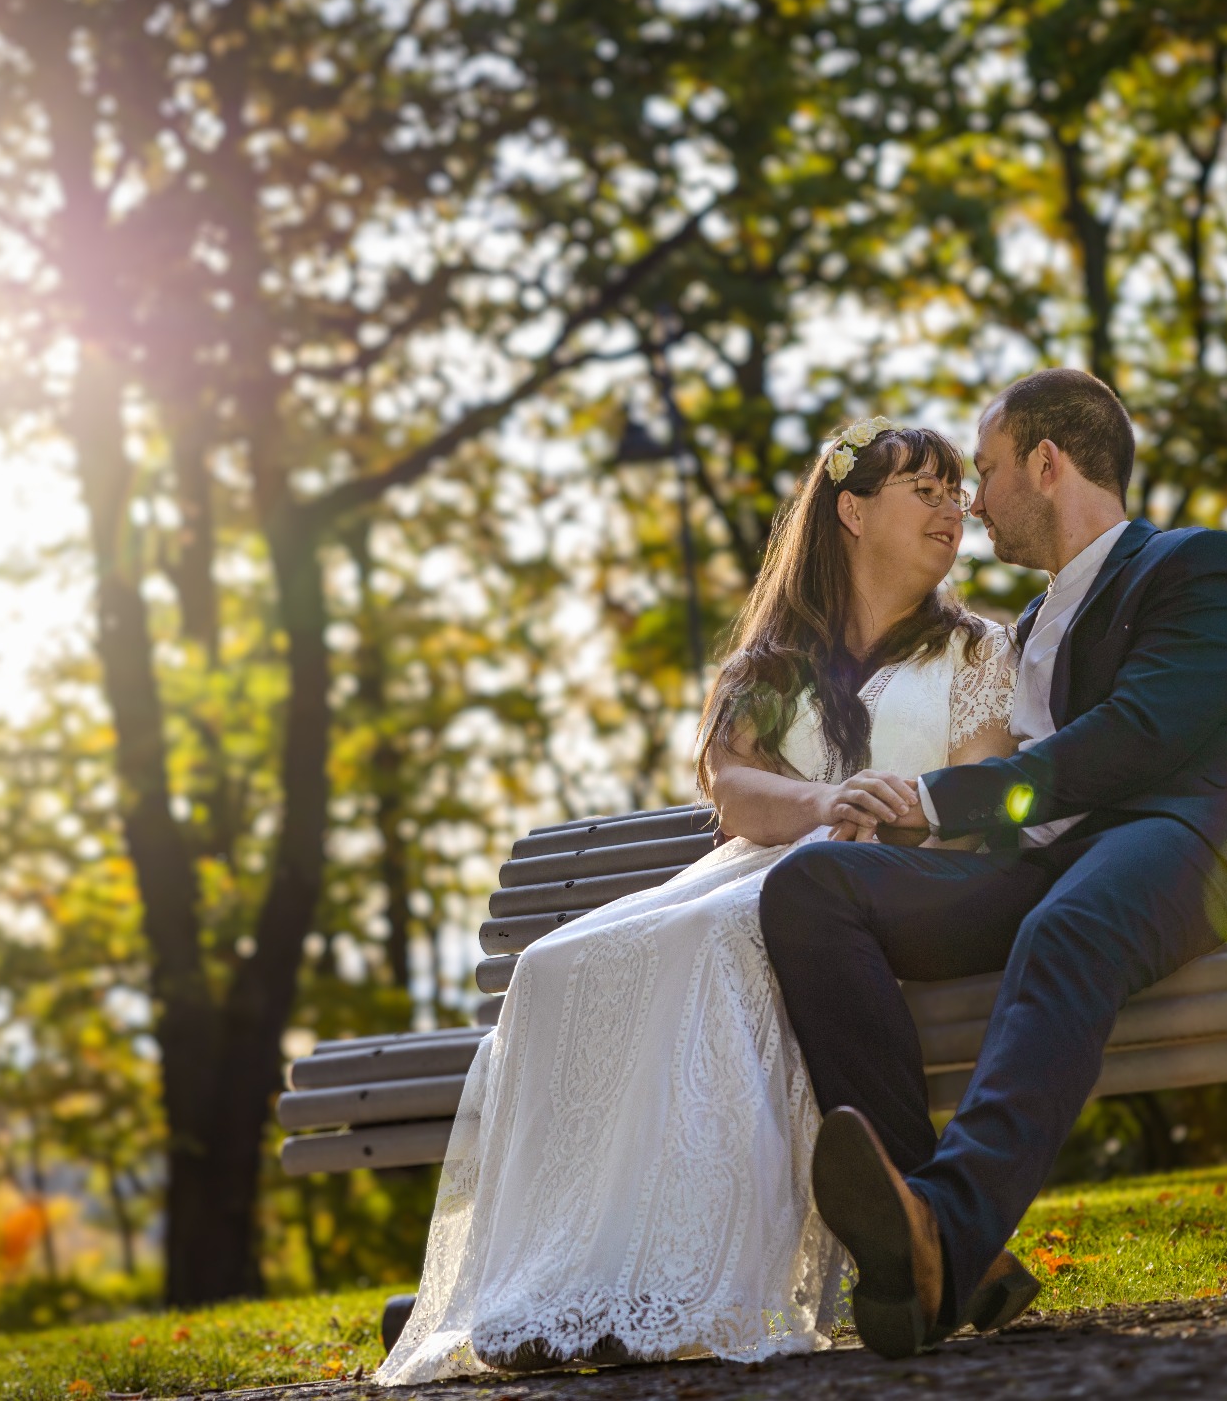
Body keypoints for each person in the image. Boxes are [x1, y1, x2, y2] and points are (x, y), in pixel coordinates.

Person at [377, 420, 1021, 1383]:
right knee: (554, 967)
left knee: (719, 941)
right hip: (766, 861)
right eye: (921, 489)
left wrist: (890, 826)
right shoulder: (772, 665)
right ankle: (560, 1279)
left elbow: (978, 794)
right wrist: (821, 803)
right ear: (851, 511)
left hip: (887, 887)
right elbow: (734, 786)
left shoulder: (974, 651)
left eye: (956, 490)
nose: (951, 507)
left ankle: (677, 1286)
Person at [761, 368, 1227, 1360]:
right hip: (1063, 860)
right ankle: (933, 1237)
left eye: (983, 472)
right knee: (812, 889)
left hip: (1212, 838)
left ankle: (941, 1230)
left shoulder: (1195, 566)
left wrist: (939, 798)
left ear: (1045, 462)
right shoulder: (1021, 632)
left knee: (1069, 921)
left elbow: (1138, 737)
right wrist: (891, 821)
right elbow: (1021, 801)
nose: (970, 501)